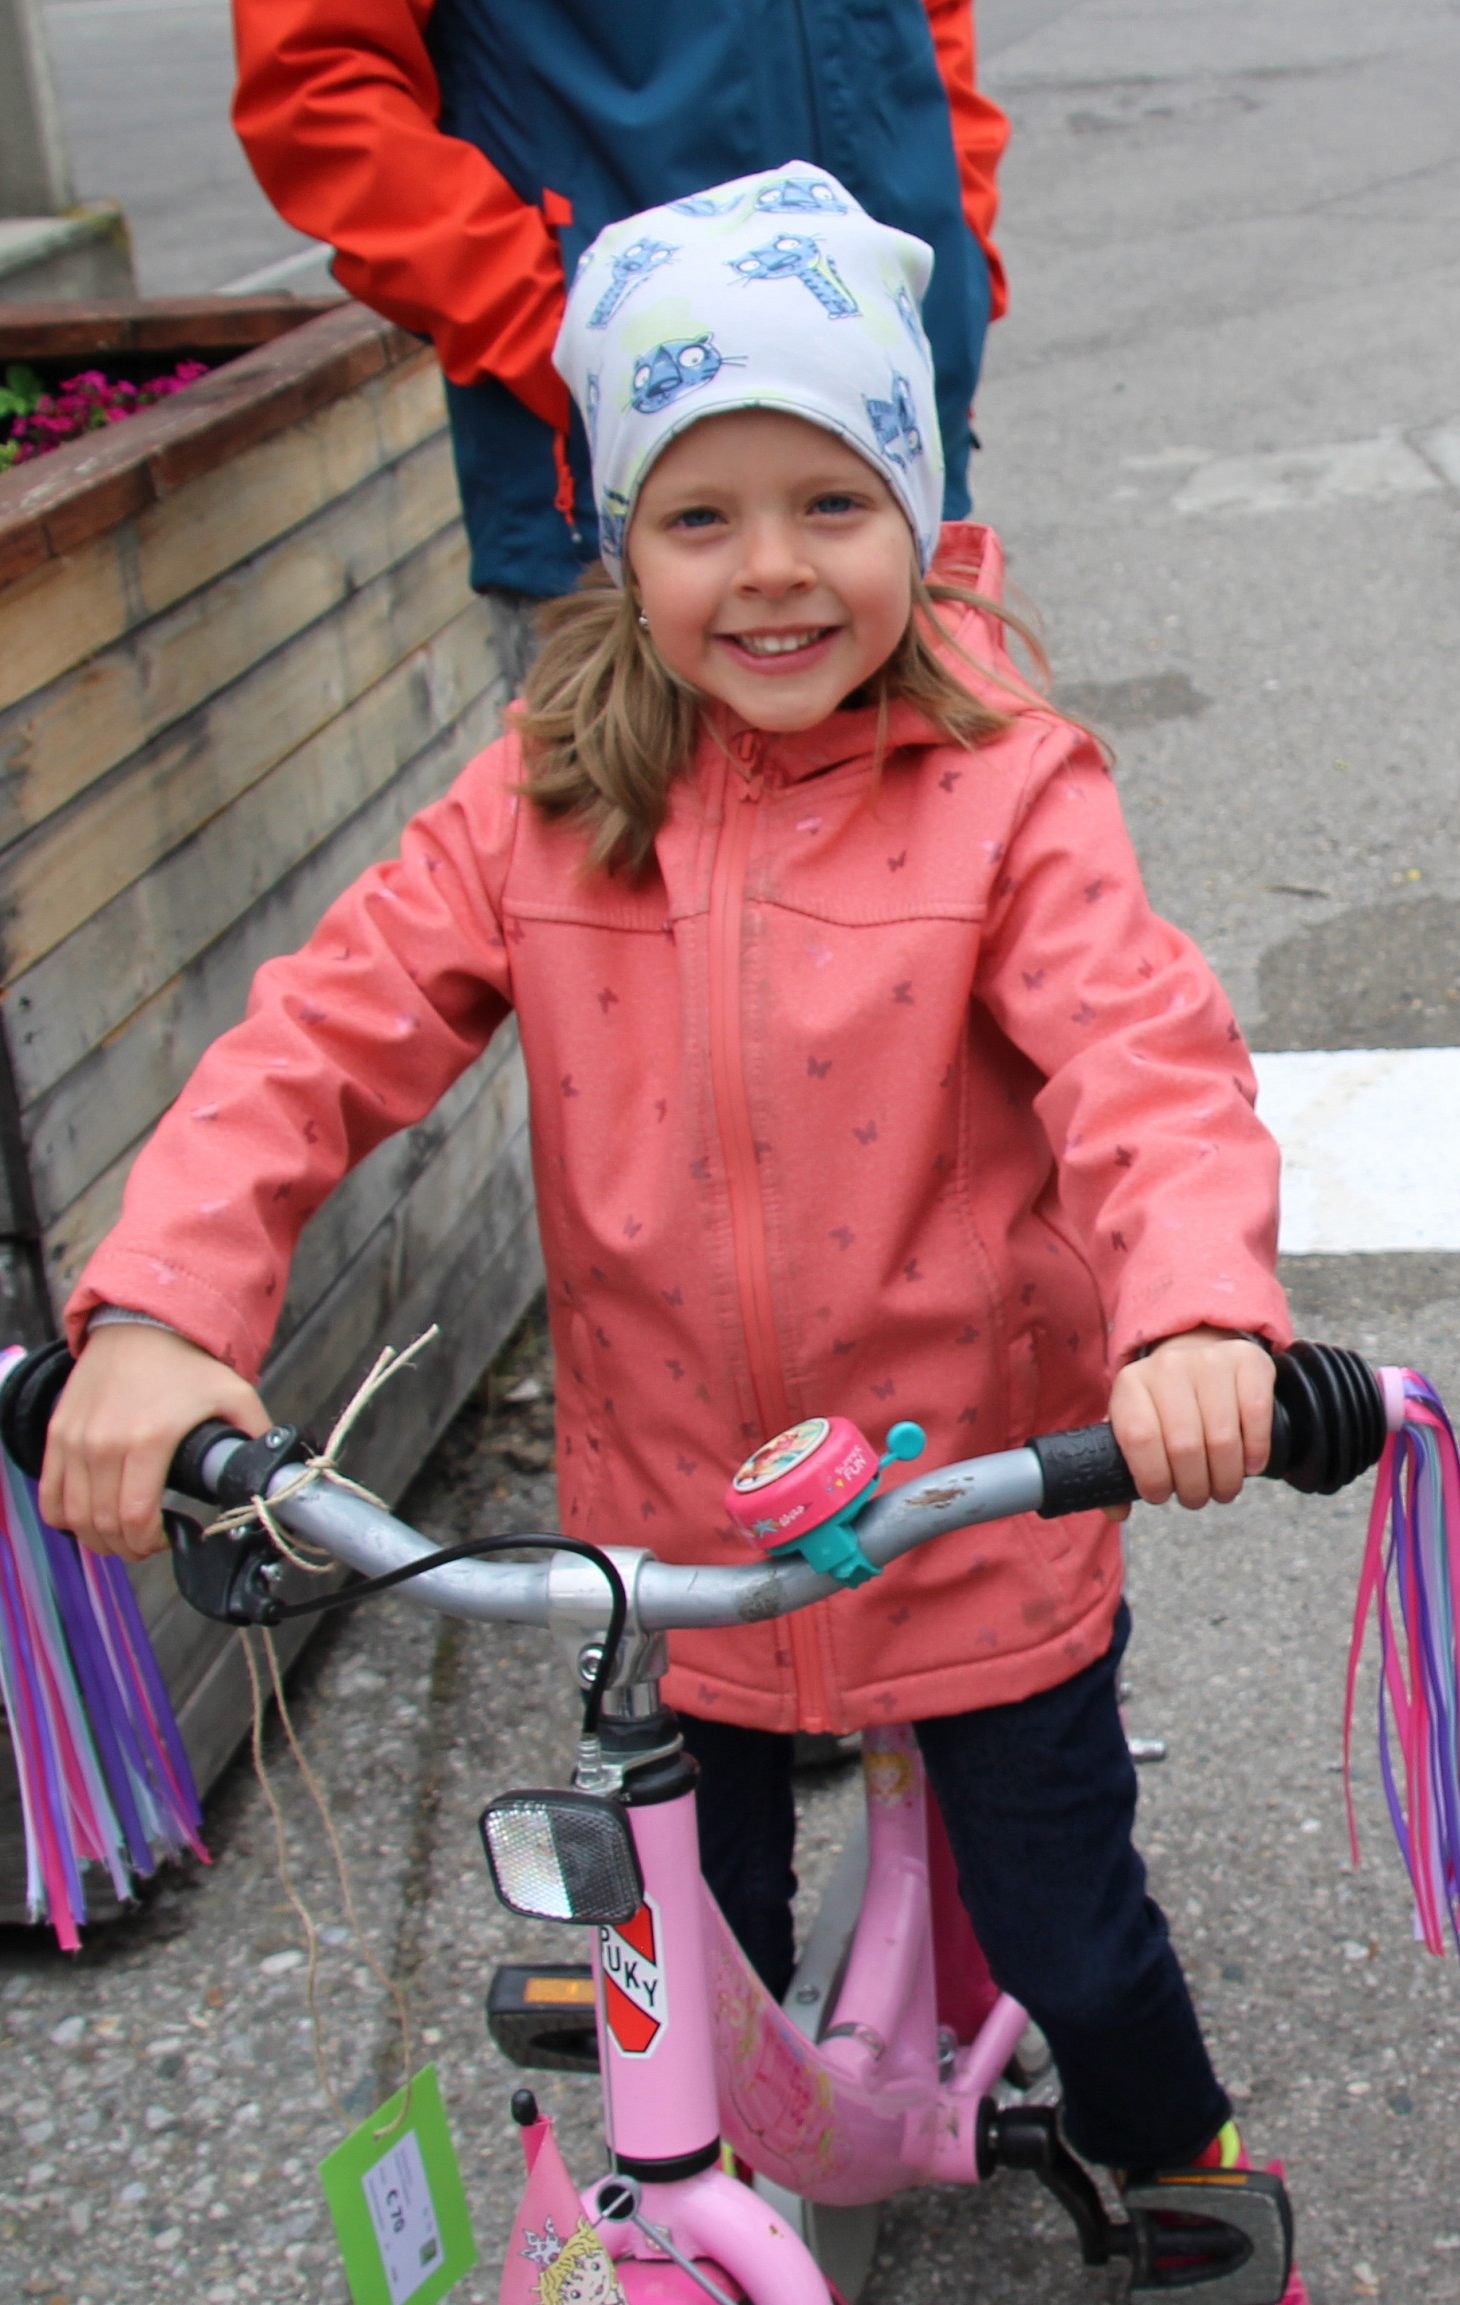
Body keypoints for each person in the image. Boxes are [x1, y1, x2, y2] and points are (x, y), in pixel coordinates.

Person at [43, 169, 1299, 2285]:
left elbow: (1144, 1063)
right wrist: (166, 1301)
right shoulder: (542, 789)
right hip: (666, 1534)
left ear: (919, 495)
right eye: (699, 517)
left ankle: (1183, 2149)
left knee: (1075, 1922)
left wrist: (1191, 1315)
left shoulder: (1009, 795)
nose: (772, 572)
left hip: (969, 1506)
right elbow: (317, 1039)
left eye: (831, 501)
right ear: (618, 539)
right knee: (677, 1956)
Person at [230, 0, 1009, 613]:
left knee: (954, 805)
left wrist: (952, 257)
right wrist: (574, 341)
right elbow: (317, 86)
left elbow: (931, 27)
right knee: (633, 811)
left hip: (895, 441)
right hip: (626, 504)